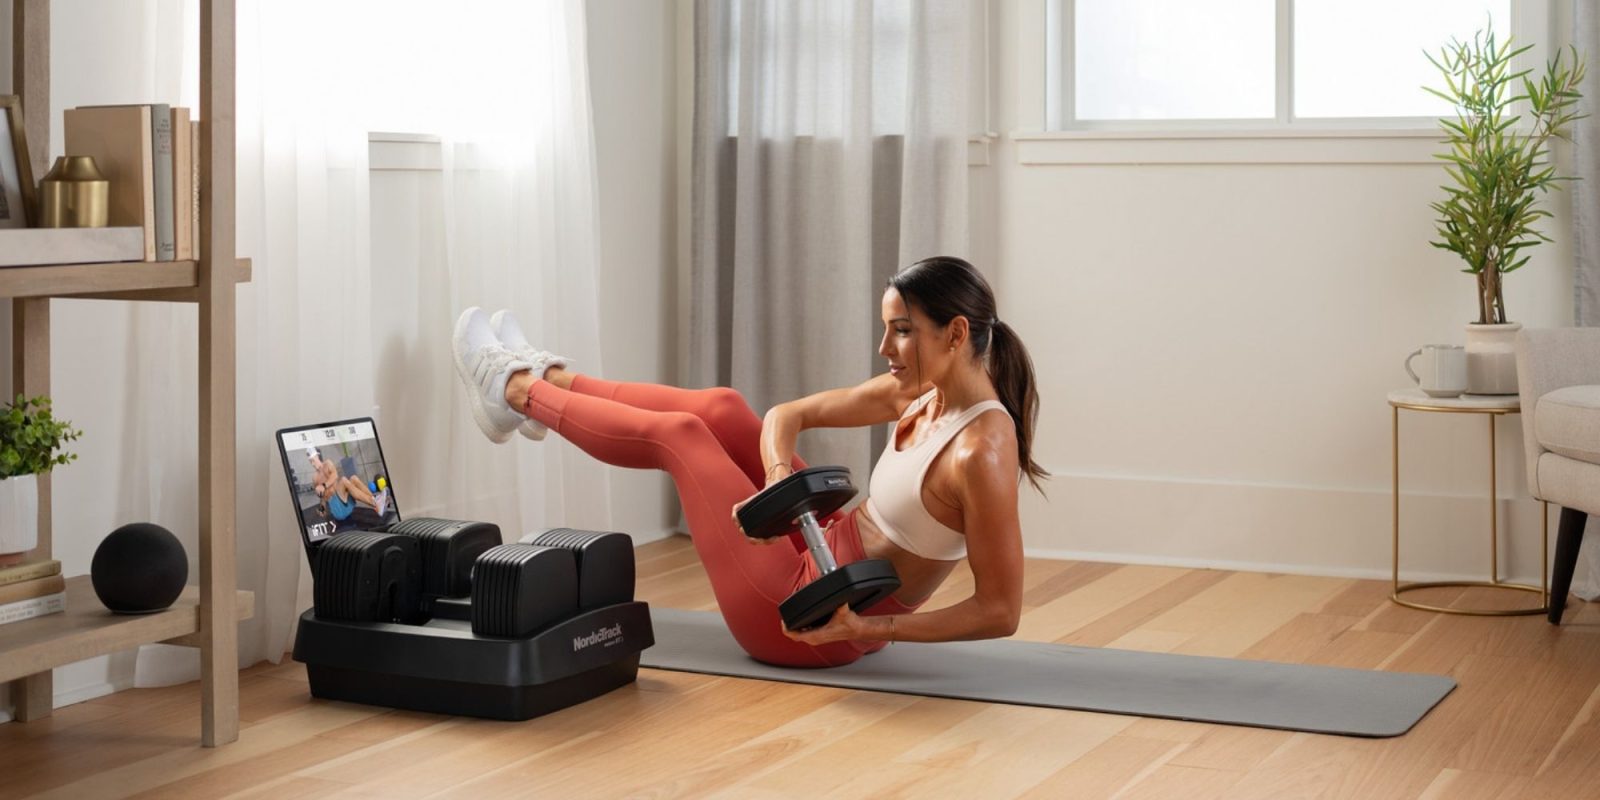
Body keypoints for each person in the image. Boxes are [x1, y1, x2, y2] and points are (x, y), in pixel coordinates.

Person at [451, 256, 1046, 668]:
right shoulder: (922, 387)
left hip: (807, 621)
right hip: (819, 546)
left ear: (955, 333)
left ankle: (513, 389)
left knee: (682, 436)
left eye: (901, 331)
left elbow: (1000, 610)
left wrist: (871, 628)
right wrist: (777, 477)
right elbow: (787, 416)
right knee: (723, 407)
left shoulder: (980, 453)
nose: (884, 349)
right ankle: (553, 378)